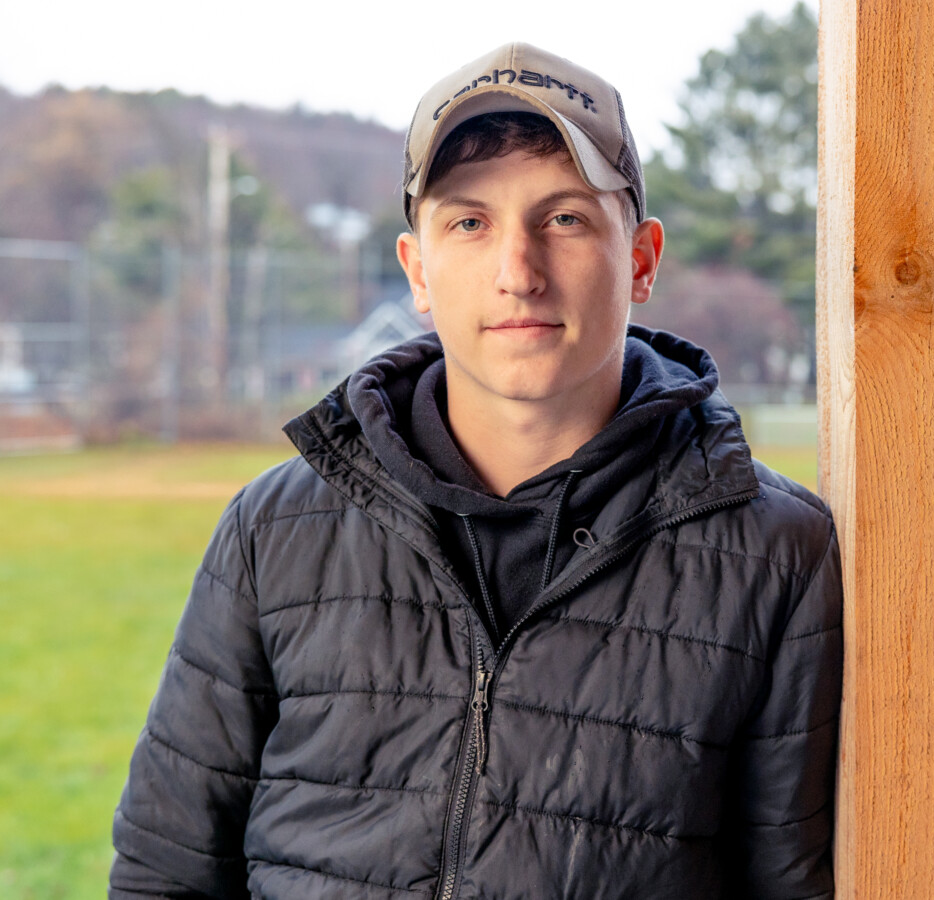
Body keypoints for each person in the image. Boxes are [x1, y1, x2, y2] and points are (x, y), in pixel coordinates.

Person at [110, 42, 842, 899]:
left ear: (641, 258)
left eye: (564, 218)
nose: (518, 273)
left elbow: (789, 884)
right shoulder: (272, 531)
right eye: (469, 222)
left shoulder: (776, 552)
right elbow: (166, 875)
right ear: (418, 269)